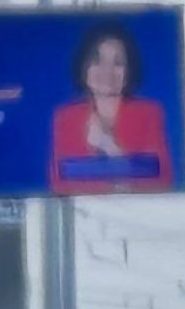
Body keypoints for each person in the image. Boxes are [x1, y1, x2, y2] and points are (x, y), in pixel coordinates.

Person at [50, 21, 173, 195]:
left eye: (118, 62)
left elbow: (160, 182)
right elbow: (60, 185)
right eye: (97, 61)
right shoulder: (66, 118)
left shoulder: (149, 114)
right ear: (84, 68)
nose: (107, 71)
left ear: (129, 71)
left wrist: (109, 147)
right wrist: (121, 177)